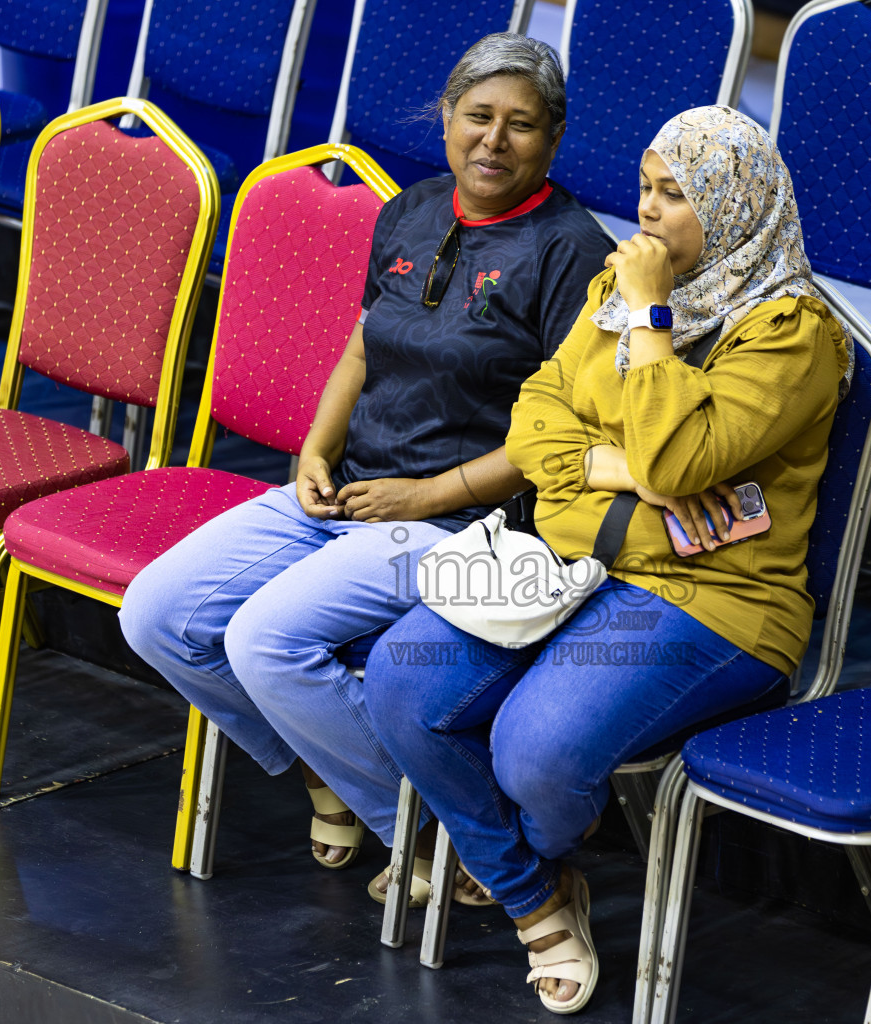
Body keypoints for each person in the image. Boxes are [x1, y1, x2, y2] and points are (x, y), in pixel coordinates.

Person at [363, 105, 854, 1014]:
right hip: (577, 554)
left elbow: (678, 461)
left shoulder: (793, 335)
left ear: (733, 206)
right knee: (399, 679)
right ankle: (535, 894)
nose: (650, 216)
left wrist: (651, 319)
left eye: (676, 195)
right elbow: (538, 415)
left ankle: (502, 867)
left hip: (715, 598)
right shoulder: (616, 286)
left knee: (535, 754)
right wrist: (607, 465)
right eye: (644, 189)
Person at [119, 32, 613, 895]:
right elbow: (361, 348)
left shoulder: (572, 249)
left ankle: (436, 834)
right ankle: (330, 775)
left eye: (522, 125)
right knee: (156, 614)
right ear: (446, 117)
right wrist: (316, 447)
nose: (494, 141)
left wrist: (424, 496)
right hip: (352, 491)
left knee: (265, 641)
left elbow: (561, 443)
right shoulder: (412, 208)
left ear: (556, 137)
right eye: (478, 117)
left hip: (470, 522)